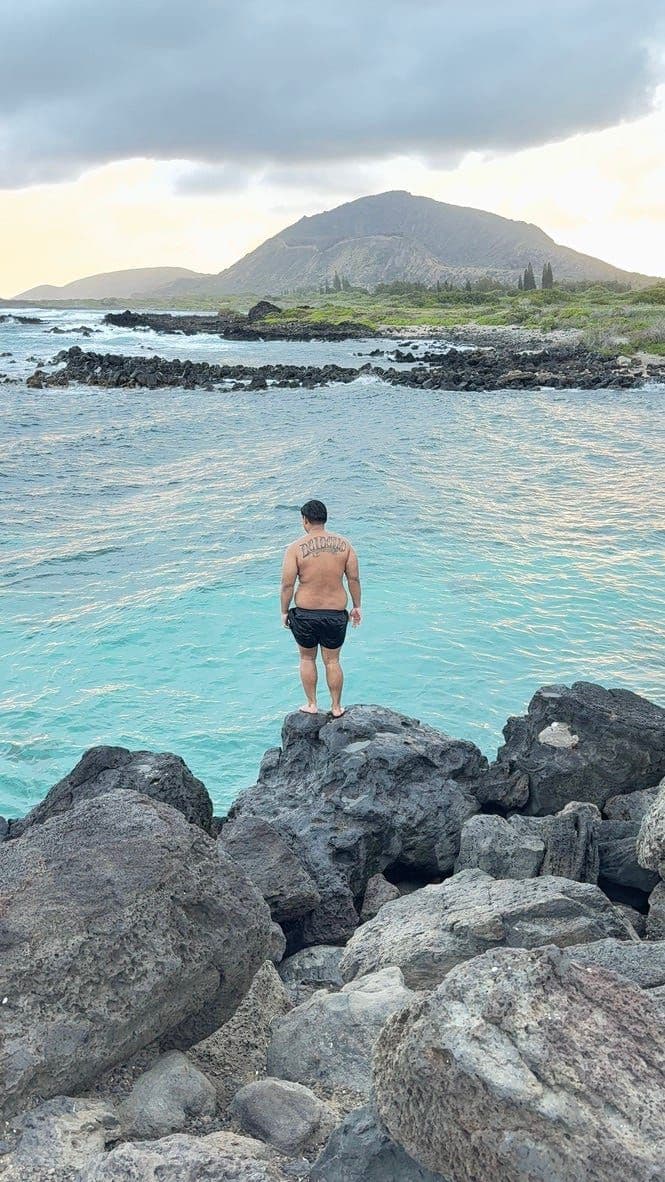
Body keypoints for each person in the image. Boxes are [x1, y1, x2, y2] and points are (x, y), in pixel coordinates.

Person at [281, 499, 361, 717]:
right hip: (335, 614)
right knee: (333, 660)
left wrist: (284, 611)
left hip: (305, 614)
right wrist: (357, 606)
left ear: (305, 520)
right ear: (324, 519)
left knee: (307, 658)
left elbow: (287, 584)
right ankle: (336, 708)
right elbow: (353, 579)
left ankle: (312, 704)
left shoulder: (295, 548)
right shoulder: (345, 545)